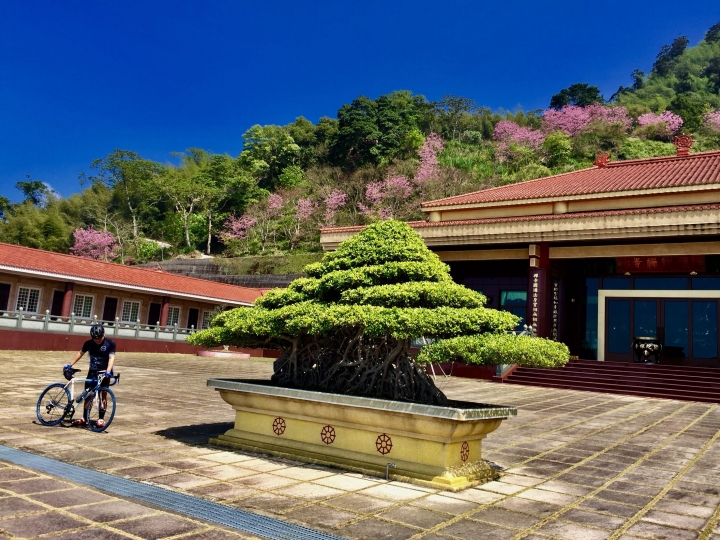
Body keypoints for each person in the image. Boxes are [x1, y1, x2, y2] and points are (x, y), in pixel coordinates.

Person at [64, 323, 115, 428]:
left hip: (104, 373)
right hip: (92, 372)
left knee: (103, 394)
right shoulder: (88, 343)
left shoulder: (110, 343)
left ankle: (101, 419)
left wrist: (108, 371)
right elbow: (80, 353)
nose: (97, 340)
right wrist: (69, 364)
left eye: (99, 337)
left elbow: (111, 358)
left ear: (103, 334)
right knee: (88, 395)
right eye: (95, 338)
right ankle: (84, 418)